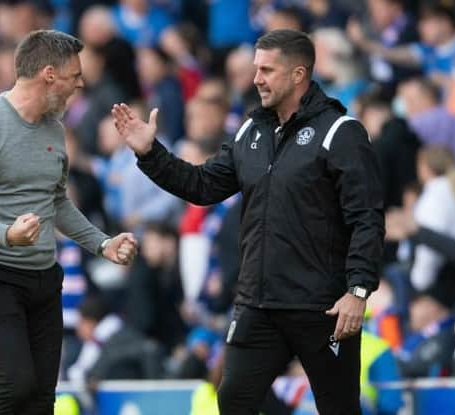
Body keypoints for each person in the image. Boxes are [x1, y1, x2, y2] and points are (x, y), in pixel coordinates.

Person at [112, 29, 385, 414]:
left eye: (267, 70)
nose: (256, 78)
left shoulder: (341, 133)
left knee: (339, 408)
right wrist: (150, 153)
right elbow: (202, 186)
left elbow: (366, 218)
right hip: (258, 304)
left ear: (298, 74)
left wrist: (358, 292)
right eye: (256, 69)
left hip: (322, 308)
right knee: (233, 400)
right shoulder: (251, 130)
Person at [0, 30, 138, 415]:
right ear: (49, 74)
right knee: (16, 386)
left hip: (42, 278)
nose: (81, 84)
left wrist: (102, 244)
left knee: (41, 402)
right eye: (74, 75)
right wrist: (6, 234)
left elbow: (56, 203)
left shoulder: (54, 129)